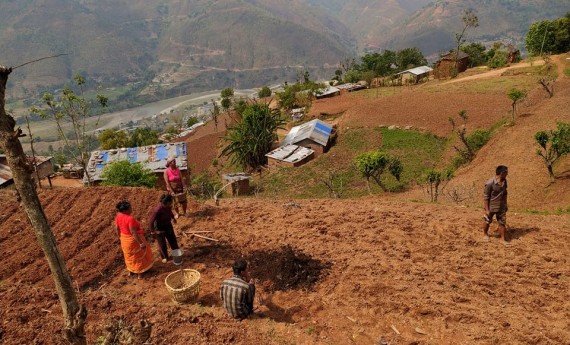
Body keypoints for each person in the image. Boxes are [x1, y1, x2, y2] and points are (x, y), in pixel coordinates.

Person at [114, 200, 154, 278]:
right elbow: (133, 232)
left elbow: (116, 228)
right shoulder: (130, 219)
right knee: (139, 256)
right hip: (133, 241)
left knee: (129, 256)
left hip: (124, 239)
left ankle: (131, 270)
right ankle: (140, 273)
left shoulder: (118, 216)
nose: (131, 209)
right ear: (125, 210)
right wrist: (140, 243)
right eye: (130, 208)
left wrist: (120, 237)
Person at [148, 194, 180, 264]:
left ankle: (176, 252)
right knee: (162, 243)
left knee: (173, 240)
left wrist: (173, 218)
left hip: (168, 225)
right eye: (171, 201)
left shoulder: (168, 206)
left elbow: (170, 212)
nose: (172, 203)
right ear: (167, 202)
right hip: (159, 228)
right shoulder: (157, 210)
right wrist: (152, 231)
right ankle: (165, 257)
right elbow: (151, 221)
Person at [483, 165, 509, 245]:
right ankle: (485, 234)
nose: (507, 174)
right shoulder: (490, 183)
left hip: (501, 206)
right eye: (506, 172)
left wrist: (505, 204)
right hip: (491, 206)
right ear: (502, 173)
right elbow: (486, 197)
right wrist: (487, 210)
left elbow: (505, 193)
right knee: (487, 221)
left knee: (502, 222)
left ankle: (502, 239)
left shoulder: (504, 181)